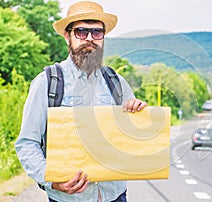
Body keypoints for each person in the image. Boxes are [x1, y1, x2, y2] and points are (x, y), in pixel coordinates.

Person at [15, 1, 147, 202]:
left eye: (96, 32)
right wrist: (52, 180)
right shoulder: (47, 82)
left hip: (115, 196)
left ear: (103, 36)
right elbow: (27, 143)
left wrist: (139, 117)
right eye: (81, 32)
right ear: (67, 36)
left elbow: (133, 140)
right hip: (67, 199)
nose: (89, 39)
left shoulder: (117, 83)